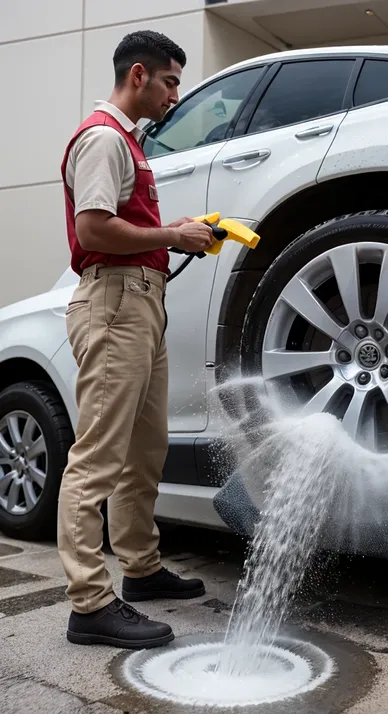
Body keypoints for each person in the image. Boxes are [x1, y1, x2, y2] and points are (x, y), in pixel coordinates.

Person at [57, 30, 214, 650]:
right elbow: (93, 228)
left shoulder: (128, 143)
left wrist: (168, 229)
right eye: (172, 81)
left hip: (140, 304)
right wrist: (171, 239)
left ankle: (141, 571)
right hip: (114, 302)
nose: (176, 95)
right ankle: (90, 604)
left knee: (145, 450)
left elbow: (123, 224)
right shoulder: (102, 137)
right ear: (141, 75)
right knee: (97, 456)